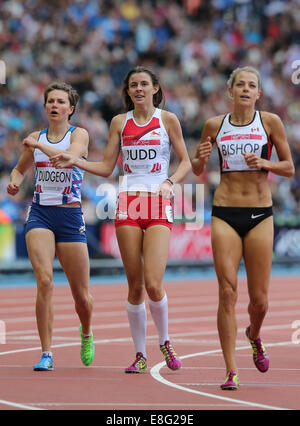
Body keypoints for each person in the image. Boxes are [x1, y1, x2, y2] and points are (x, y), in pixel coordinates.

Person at [50, 66, 191, 373]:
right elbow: (107, 168)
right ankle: (140, 355)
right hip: (128, 202)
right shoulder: (119, 122)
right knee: (135, 286)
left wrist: (170, 182)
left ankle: (165, 341)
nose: (138, 89)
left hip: (157, 202)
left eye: (144, 84)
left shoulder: (167, 120)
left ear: (155, 88)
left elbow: (186, 161)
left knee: (154, 283)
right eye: (133, 85)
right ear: (127, 92)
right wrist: (76, 161)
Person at [192, 66, 295, 390]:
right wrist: (199, 157)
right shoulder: (214, 125)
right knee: (227, 291)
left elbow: (289, 168)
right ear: (231, 91)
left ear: (258, 94)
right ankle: (231, 370)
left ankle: (253, 333)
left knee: (259, 302)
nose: (246, 90)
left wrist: (265, 163)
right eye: (241, 85)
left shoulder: (269, 123)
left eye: (252, 85)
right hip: (224, 212)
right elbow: (197, 169)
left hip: (260, 214)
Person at [7, 82, 95, 371]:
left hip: (70, 218)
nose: (55, 106)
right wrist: (15, 182)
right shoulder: (36, 137)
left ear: (71, 109)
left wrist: (38, 146)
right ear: (45, 107)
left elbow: (68, 158)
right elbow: (20, 168)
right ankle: (47, 352)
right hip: (41, 215)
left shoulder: (78, 134)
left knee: (81, 296)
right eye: (50, 101)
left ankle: (86, 332)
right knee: (44, 281)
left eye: (60, 102)